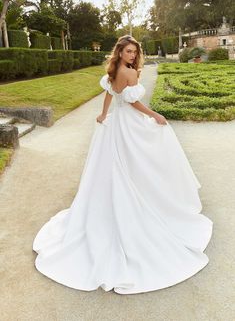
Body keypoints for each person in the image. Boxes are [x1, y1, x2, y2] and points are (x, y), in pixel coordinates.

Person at [33, 35, 213, 295]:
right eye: (128, 51)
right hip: (127, 122)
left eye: (134, 51)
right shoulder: (127, 73)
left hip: (115, 122)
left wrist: (104, 114)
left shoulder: (113, 71)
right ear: (120, 51)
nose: (132, 55)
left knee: (122, 164)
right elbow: (134, 102)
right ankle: (142, 200)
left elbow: (108, 94)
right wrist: (155, 114)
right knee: (142, 155)